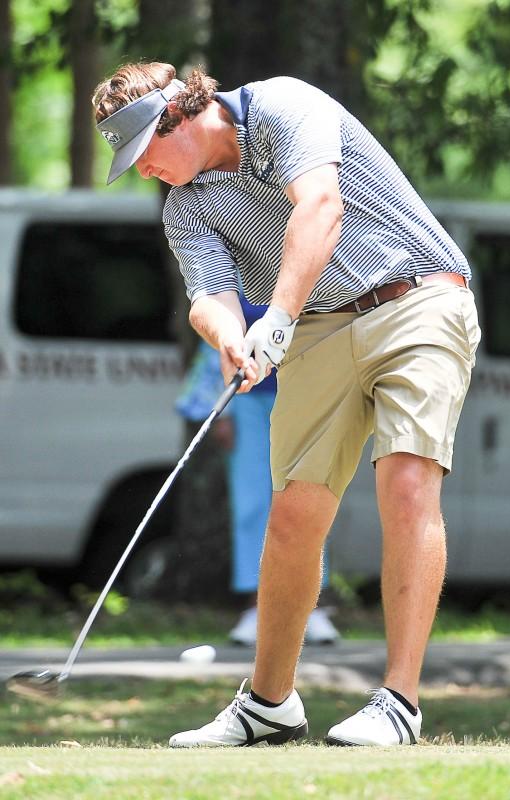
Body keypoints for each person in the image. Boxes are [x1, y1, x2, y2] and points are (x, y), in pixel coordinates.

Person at [93, 63, 481, 748]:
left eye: (144, 153)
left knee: (409, 480)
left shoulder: (280, 106)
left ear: (178, 117)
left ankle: (399, 702)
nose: (144, 170)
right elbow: (208, 298)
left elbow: (320, 206)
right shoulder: (186, 206)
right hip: (321, 326)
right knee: (294, 514)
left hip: (417, 295)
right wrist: (237, 339)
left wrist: (275, 315)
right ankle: (269, 704)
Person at [176, 302, 340, 647]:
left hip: (303, 398)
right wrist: (222, 411)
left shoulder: (314, 264)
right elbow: (217, 343)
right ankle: (256, 607)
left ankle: (311, 608)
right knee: (251, 503)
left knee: (307, 499)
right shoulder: (238, 265)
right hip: (248, 401)